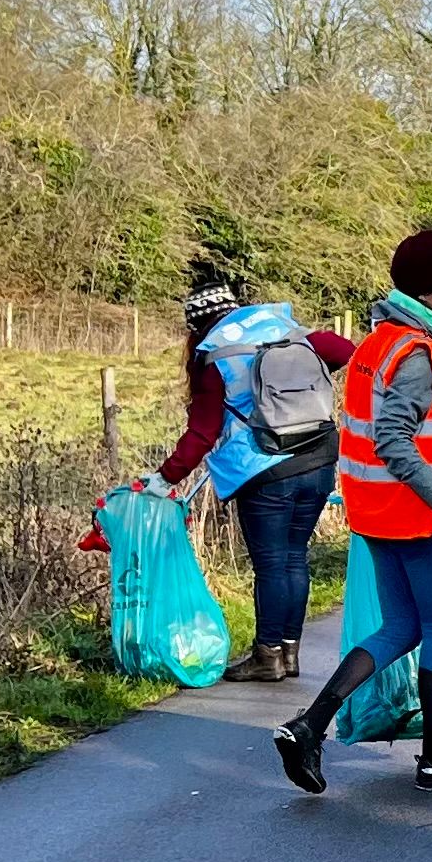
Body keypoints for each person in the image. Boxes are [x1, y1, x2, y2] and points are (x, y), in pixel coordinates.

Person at [273, 228, 432, 796]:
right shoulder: (418, 352)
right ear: (425, 291)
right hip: (419, 515)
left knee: (401, 626)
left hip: (375, 513)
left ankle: (309, 726)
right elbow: (393, 440)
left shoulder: (378, 343)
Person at [152, 273, 356, 685]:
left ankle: (267, 656)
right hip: (318, 457)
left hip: (265, 468)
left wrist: (165, 477)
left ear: (197, 325)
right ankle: (289, 653)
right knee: (295, 556)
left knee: (271, 564)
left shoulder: (214, 356)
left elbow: (202, 432)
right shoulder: (281, 327)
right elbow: (344, 349)